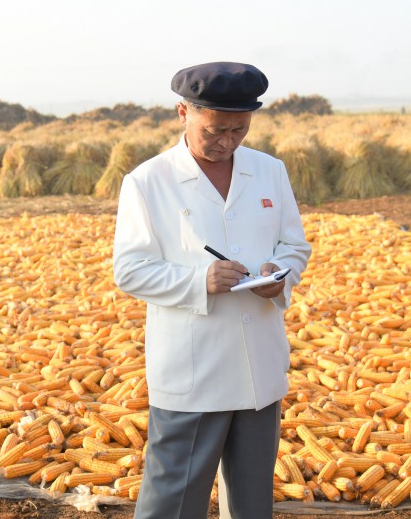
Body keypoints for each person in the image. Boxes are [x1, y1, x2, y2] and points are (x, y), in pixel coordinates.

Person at [112, 62, 311, 518]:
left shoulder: (269, 171)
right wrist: (198, 280)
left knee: (251, 501)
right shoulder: (147, 181)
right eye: (215, 130)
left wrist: (278, 273)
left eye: (239, 130)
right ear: (183, 112)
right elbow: (130, 270)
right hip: (193, 368)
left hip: (259, 363)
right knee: (173, 499)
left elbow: (294, 245)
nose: (226, 141)